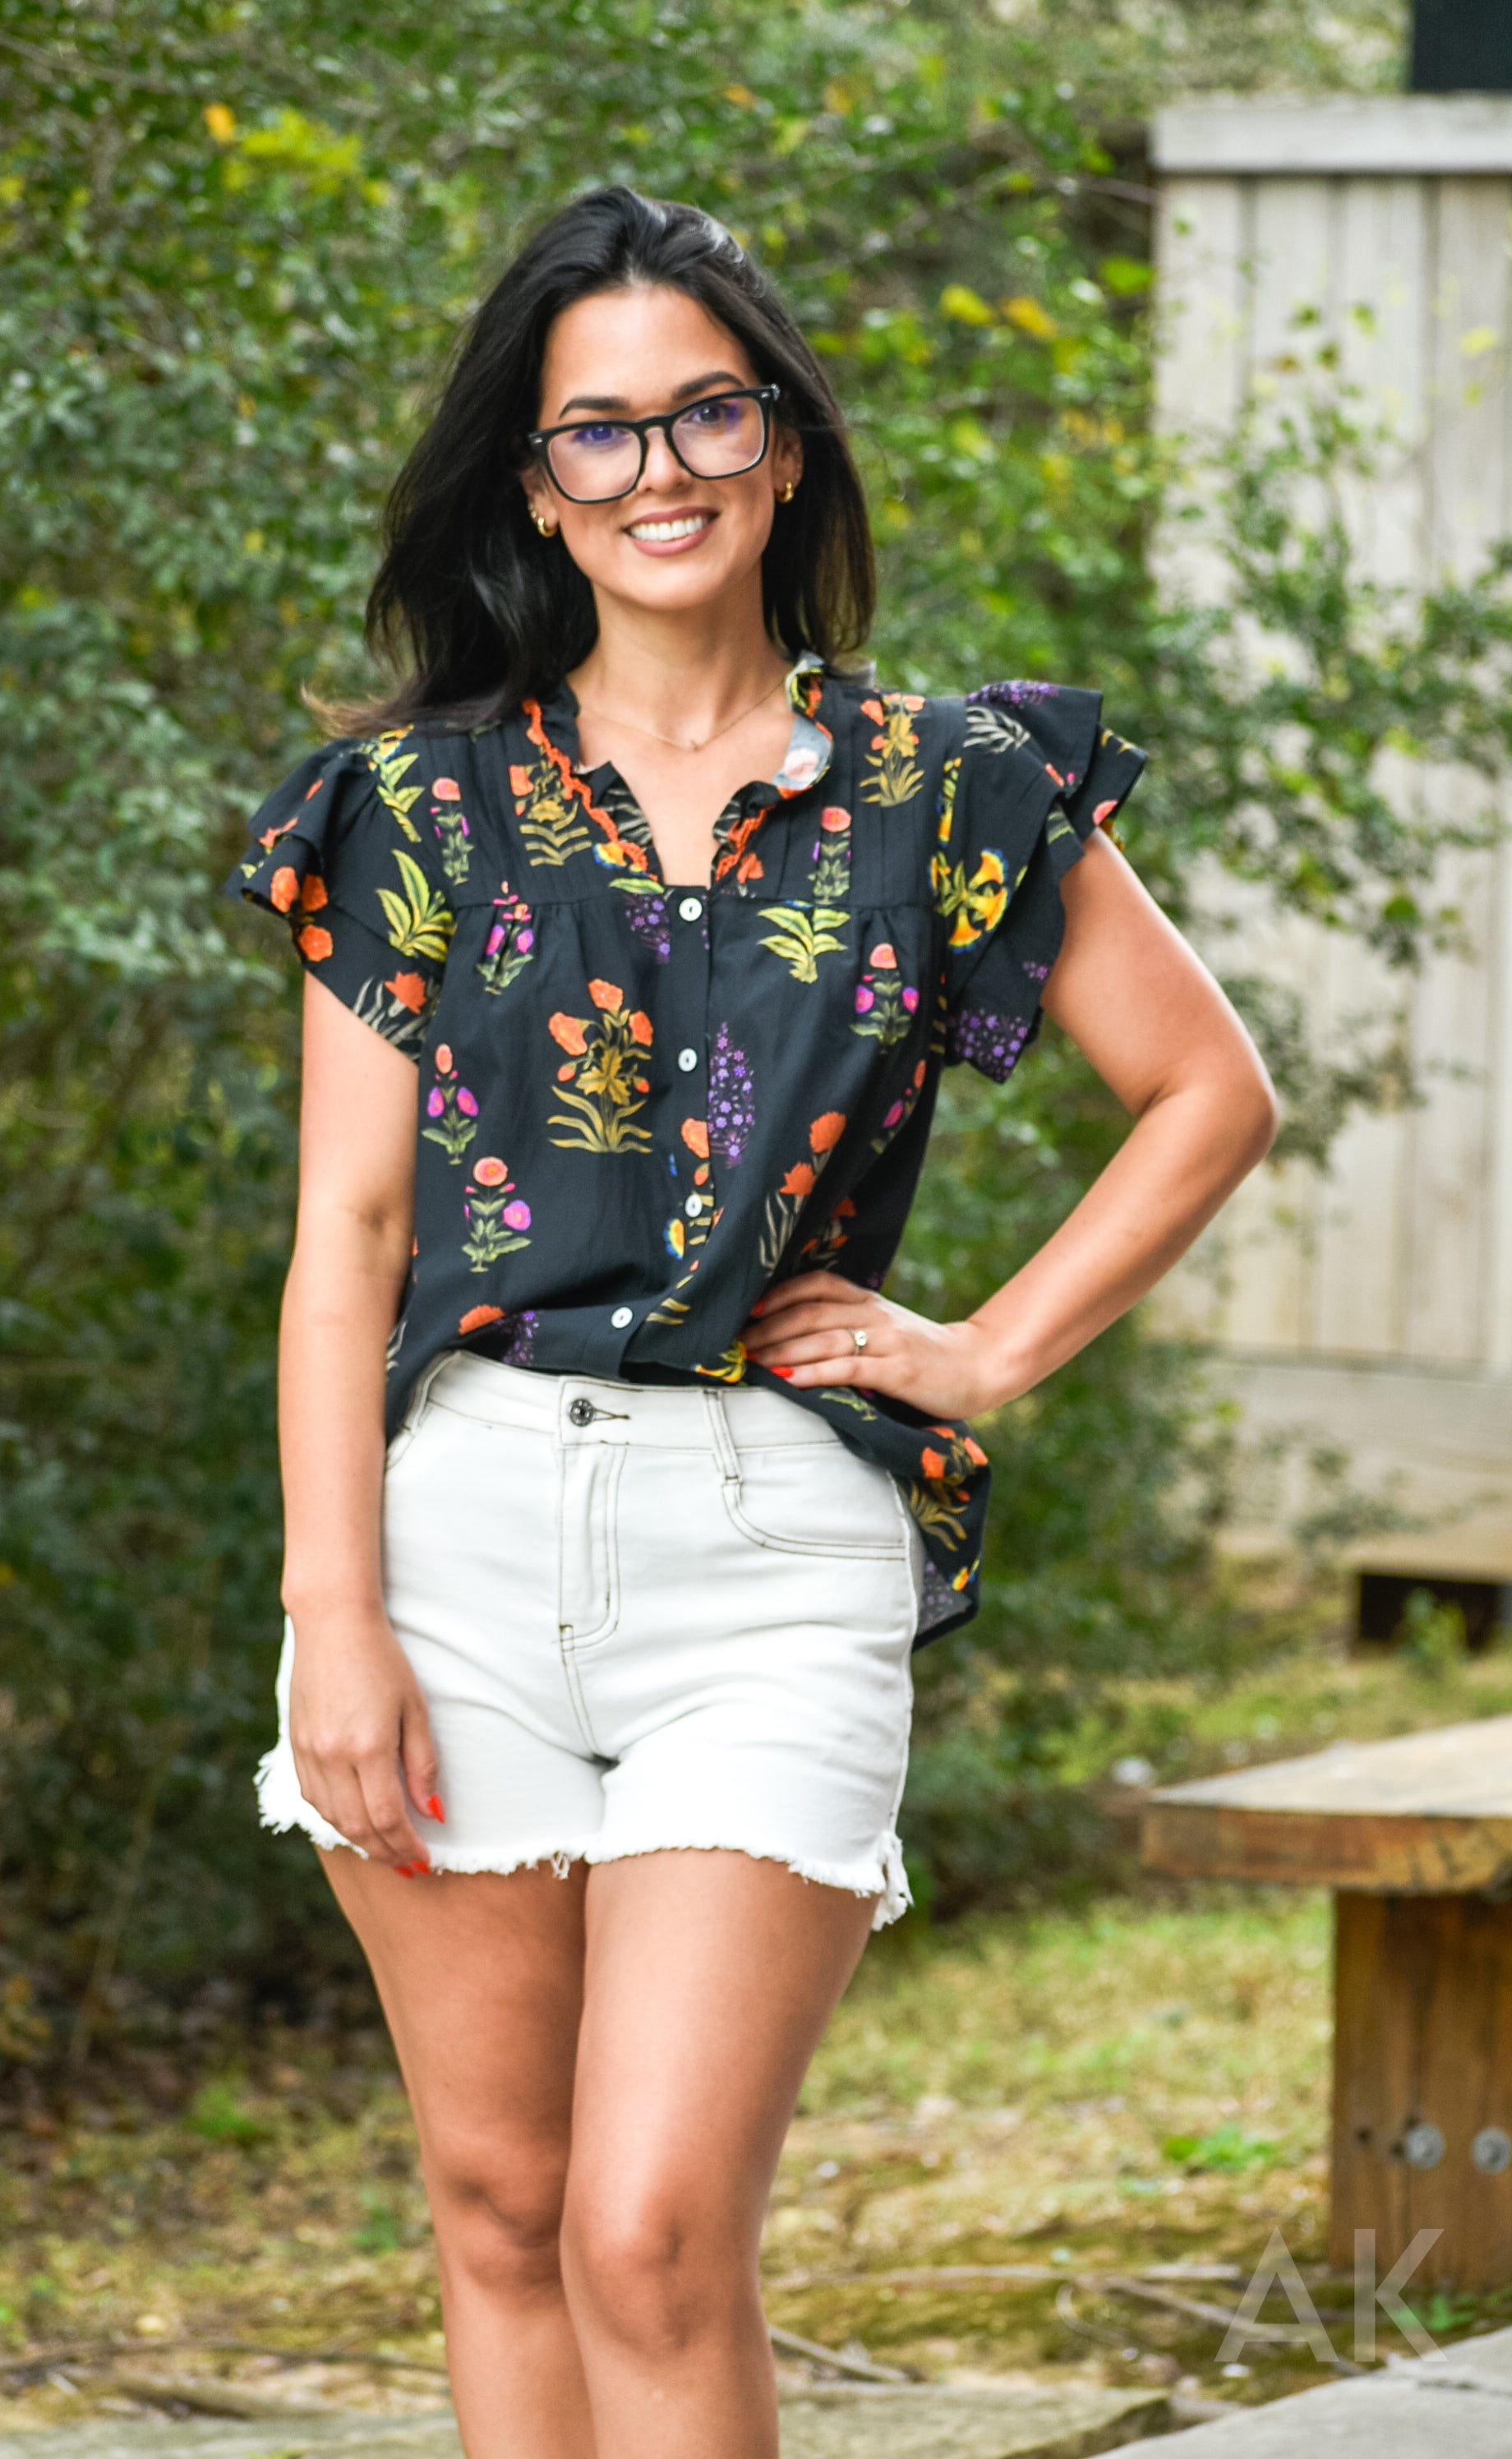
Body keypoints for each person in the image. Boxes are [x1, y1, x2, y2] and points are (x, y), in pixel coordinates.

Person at [226, 185, 1276, 2459]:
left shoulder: (950, 784)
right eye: (596, 433)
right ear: (537, 488)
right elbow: (347, 1238)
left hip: (775, 1551)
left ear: (784, 444)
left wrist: (988, 1352)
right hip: (456, 1540)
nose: (660, 470)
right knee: (504, 2206)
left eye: (708, 413)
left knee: (651, 2234)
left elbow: (1212, 1093)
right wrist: (336, 1613)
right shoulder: (416, 808)